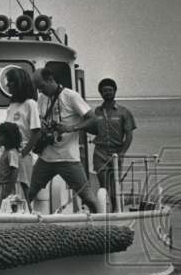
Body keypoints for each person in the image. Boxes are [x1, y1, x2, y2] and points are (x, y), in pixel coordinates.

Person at [27, 67, 101, 213]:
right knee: (29, 192)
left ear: (50, 79)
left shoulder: (71, 96)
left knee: (87, 196)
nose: (40, 91)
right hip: (46, 158)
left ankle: (102, 223)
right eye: (37, 88)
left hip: (68, 158)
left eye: (41, 86)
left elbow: (94, 120)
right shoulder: (42, 98)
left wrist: (71, 128)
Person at [88, 78, 136, 211]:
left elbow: (129, 135)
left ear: (115, 91)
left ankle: (115, 209)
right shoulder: (96, 112)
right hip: (100, 152)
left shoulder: (124, 112)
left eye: (110, 90)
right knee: (103, 184)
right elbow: (89, 127)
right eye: (105, 91)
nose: (107, 93)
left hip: (116, 153)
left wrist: (122, 153)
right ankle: (105, 209)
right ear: (100, 93)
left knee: (115, 183)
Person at [3, 66, 40, 194]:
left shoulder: (30, 104)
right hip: (9, 153)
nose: (7, 85)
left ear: (19, 83)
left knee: (24, 188)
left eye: (10, 81)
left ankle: (28, 212)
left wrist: (23, 153)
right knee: (11, 189)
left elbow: (36, 132)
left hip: (22, 153)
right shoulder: (12, 105)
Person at [0, 121, 23, 205]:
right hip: (1, 185)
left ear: (8, 137)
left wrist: (8, 190)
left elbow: (15, 171)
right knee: (0, 209)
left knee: (6, 209)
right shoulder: (6, 152)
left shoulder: (11, 153)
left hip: (6, 186)